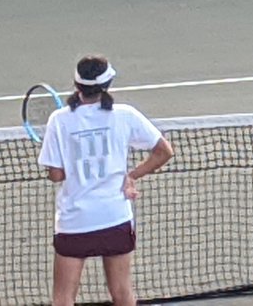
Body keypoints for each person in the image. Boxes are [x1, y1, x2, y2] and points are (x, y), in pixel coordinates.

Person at [39, 56, 173, 306]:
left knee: (63, 299)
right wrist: (132, 175)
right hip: (114, 218)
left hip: (75, 222)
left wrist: (74, 166)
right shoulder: (125, 115)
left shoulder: (59, 120)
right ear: (107, 84)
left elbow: (56, 175)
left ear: (76, 84)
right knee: (122, 294)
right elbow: (164, 151)